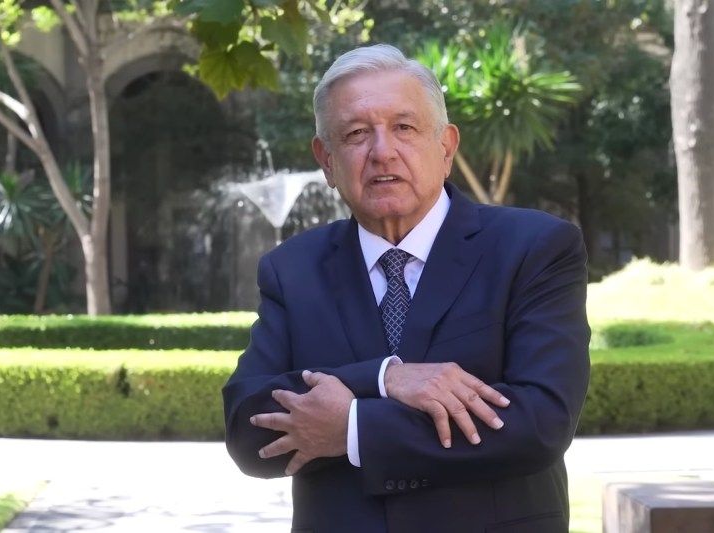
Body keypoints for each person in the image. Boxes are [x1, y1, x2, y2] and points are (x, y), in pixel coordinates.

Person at [223, 44, 590, 533]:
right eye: (356, 133)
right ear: (326, 161)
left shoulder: (533, 248)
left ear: (446, 147)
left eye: (404, 127)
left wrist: (352, 428)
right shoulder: (293, 269)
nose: (382, 151)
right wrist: (383, 378)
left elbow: (539, 422)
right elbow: (248, 431)